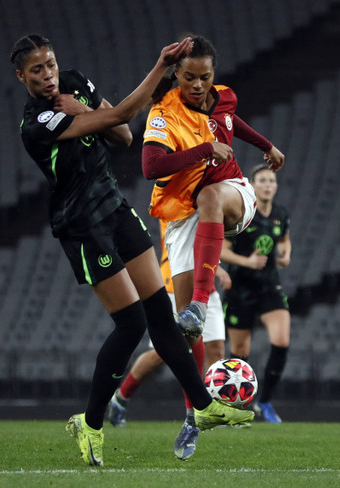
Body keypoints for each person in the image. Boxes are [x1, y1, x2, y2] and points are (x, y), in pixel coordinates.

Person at [10, 34, 253, 467]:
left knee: (160, 314)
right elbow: (121, 114)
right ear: (21, 77)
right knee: (131, 323)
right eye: (36, 70)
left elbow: (122, 134)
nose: (48, 76)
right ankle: (91, 422)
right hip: (82, 224)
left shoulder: (76, 84)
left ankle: (202, 405)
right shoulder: (37, 122)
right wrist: (160, 65)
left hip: (115, 208)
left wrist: (86, 108)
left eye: (50, 65)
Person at [140, 34, 285, 457]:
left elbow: (231, 121)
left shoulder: (223, 96)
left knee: (209, 197)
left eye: (205, 76)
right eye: (188, 77)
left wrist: (265, 146)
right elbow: (151, 166)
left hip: (232, 193)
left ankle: (200, 304)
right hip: (181, 217)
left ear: (213, 74)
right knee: (188, 336)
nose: (198, 85)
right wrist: (205, 148)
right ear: (176, 75)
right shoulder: (164, 113)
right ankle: (193, 415)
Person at [106, 219, 231, 458]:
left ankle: (212, 411)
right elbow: (190, 239)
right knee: (161, 353)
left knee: (216, 349)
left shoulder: (205, 194)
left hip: (206, 287)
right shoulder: (177, 196)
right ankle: (120, 398)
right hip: (177, 282)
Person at [220, 163, 292, 424]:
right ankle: (239, 407)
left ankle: (265, 401)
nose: (267, 185)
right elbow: (222, 250)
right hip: (241, 288)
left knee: (281, 340)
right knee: (240, 352)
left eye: (271, 181)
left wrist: (286, 254)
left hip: (269, 286)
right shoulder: (242, 214)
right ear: (252, 185)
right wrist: (246, 262)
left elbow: (284, 238)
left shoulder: (281, 214)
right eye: (262, 180)